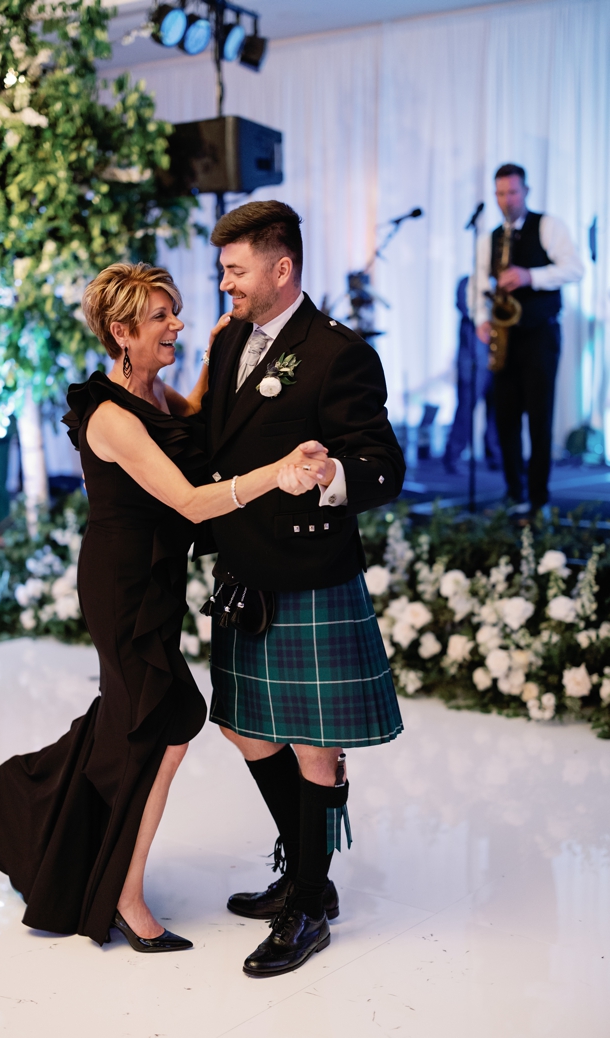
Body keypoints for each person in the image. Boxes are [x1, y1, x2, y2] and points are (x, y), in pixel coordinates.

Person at [0, 263, 327, 952]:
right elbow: (190, 500)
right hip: (123, 588)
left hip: (154, 583)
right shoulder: (108, 415)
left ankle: (32, 808)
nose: (178, 325)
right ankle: (126, 898)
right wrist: (277, 475)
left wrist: (222, 352)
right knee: (163, 730)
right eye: (163, 316)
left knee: (140, 728)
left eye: (178, 311)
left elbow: (189, 422)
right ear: (122, 333)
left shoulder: (149, 391)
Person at [201, 200, 405, 978]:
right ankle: (307, 874)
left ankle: (310, 905)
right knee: (247, 728)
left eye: (236, 270)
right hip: (244, 568)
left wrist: (329, 477)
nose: (225, 284)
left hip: (309, 571)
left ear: (281, 268)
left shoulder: (337, 353)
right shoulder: (229, 346)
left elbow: (383, 465)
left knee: (318, 748)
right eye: (224, 269)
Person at [473, 164, 584, 510]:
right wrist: (480, 318)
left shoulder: (549, 225)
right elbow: (479, 284)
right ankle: (513, 490)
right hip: (505, 336)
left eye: (513, 192)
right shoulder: (490, 238)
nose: (507, 200)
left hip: (539, 334)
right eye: (501, 194)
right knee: (504, 418)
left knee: (539, 419)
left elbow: (575, 268)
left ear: (526, 191)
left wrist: (529, 276)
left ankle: (538, 497)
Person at [442, 276, 501, 475]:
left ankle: (496, 455)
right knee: (466, 408)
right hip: (473, 358)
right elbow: (464, 306)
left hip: (497, 356)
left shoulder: (502, 284)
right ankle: (453, 456)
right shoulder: (468, 282)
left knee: (497, 410)